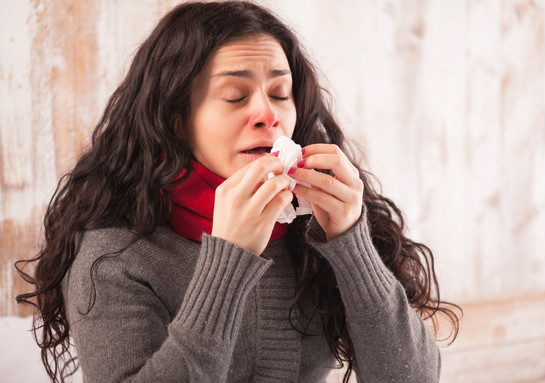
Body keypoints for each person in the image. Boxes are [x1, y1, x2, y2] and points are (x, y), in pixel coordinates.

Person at [16, 1, 460, 382]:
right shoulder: (115, 256)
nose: (268, 113)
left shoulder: (313, 227)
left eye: (280, 93)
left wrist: (351, 242)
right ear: (176, 118)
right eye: (234, 96)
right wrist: (227, 260)